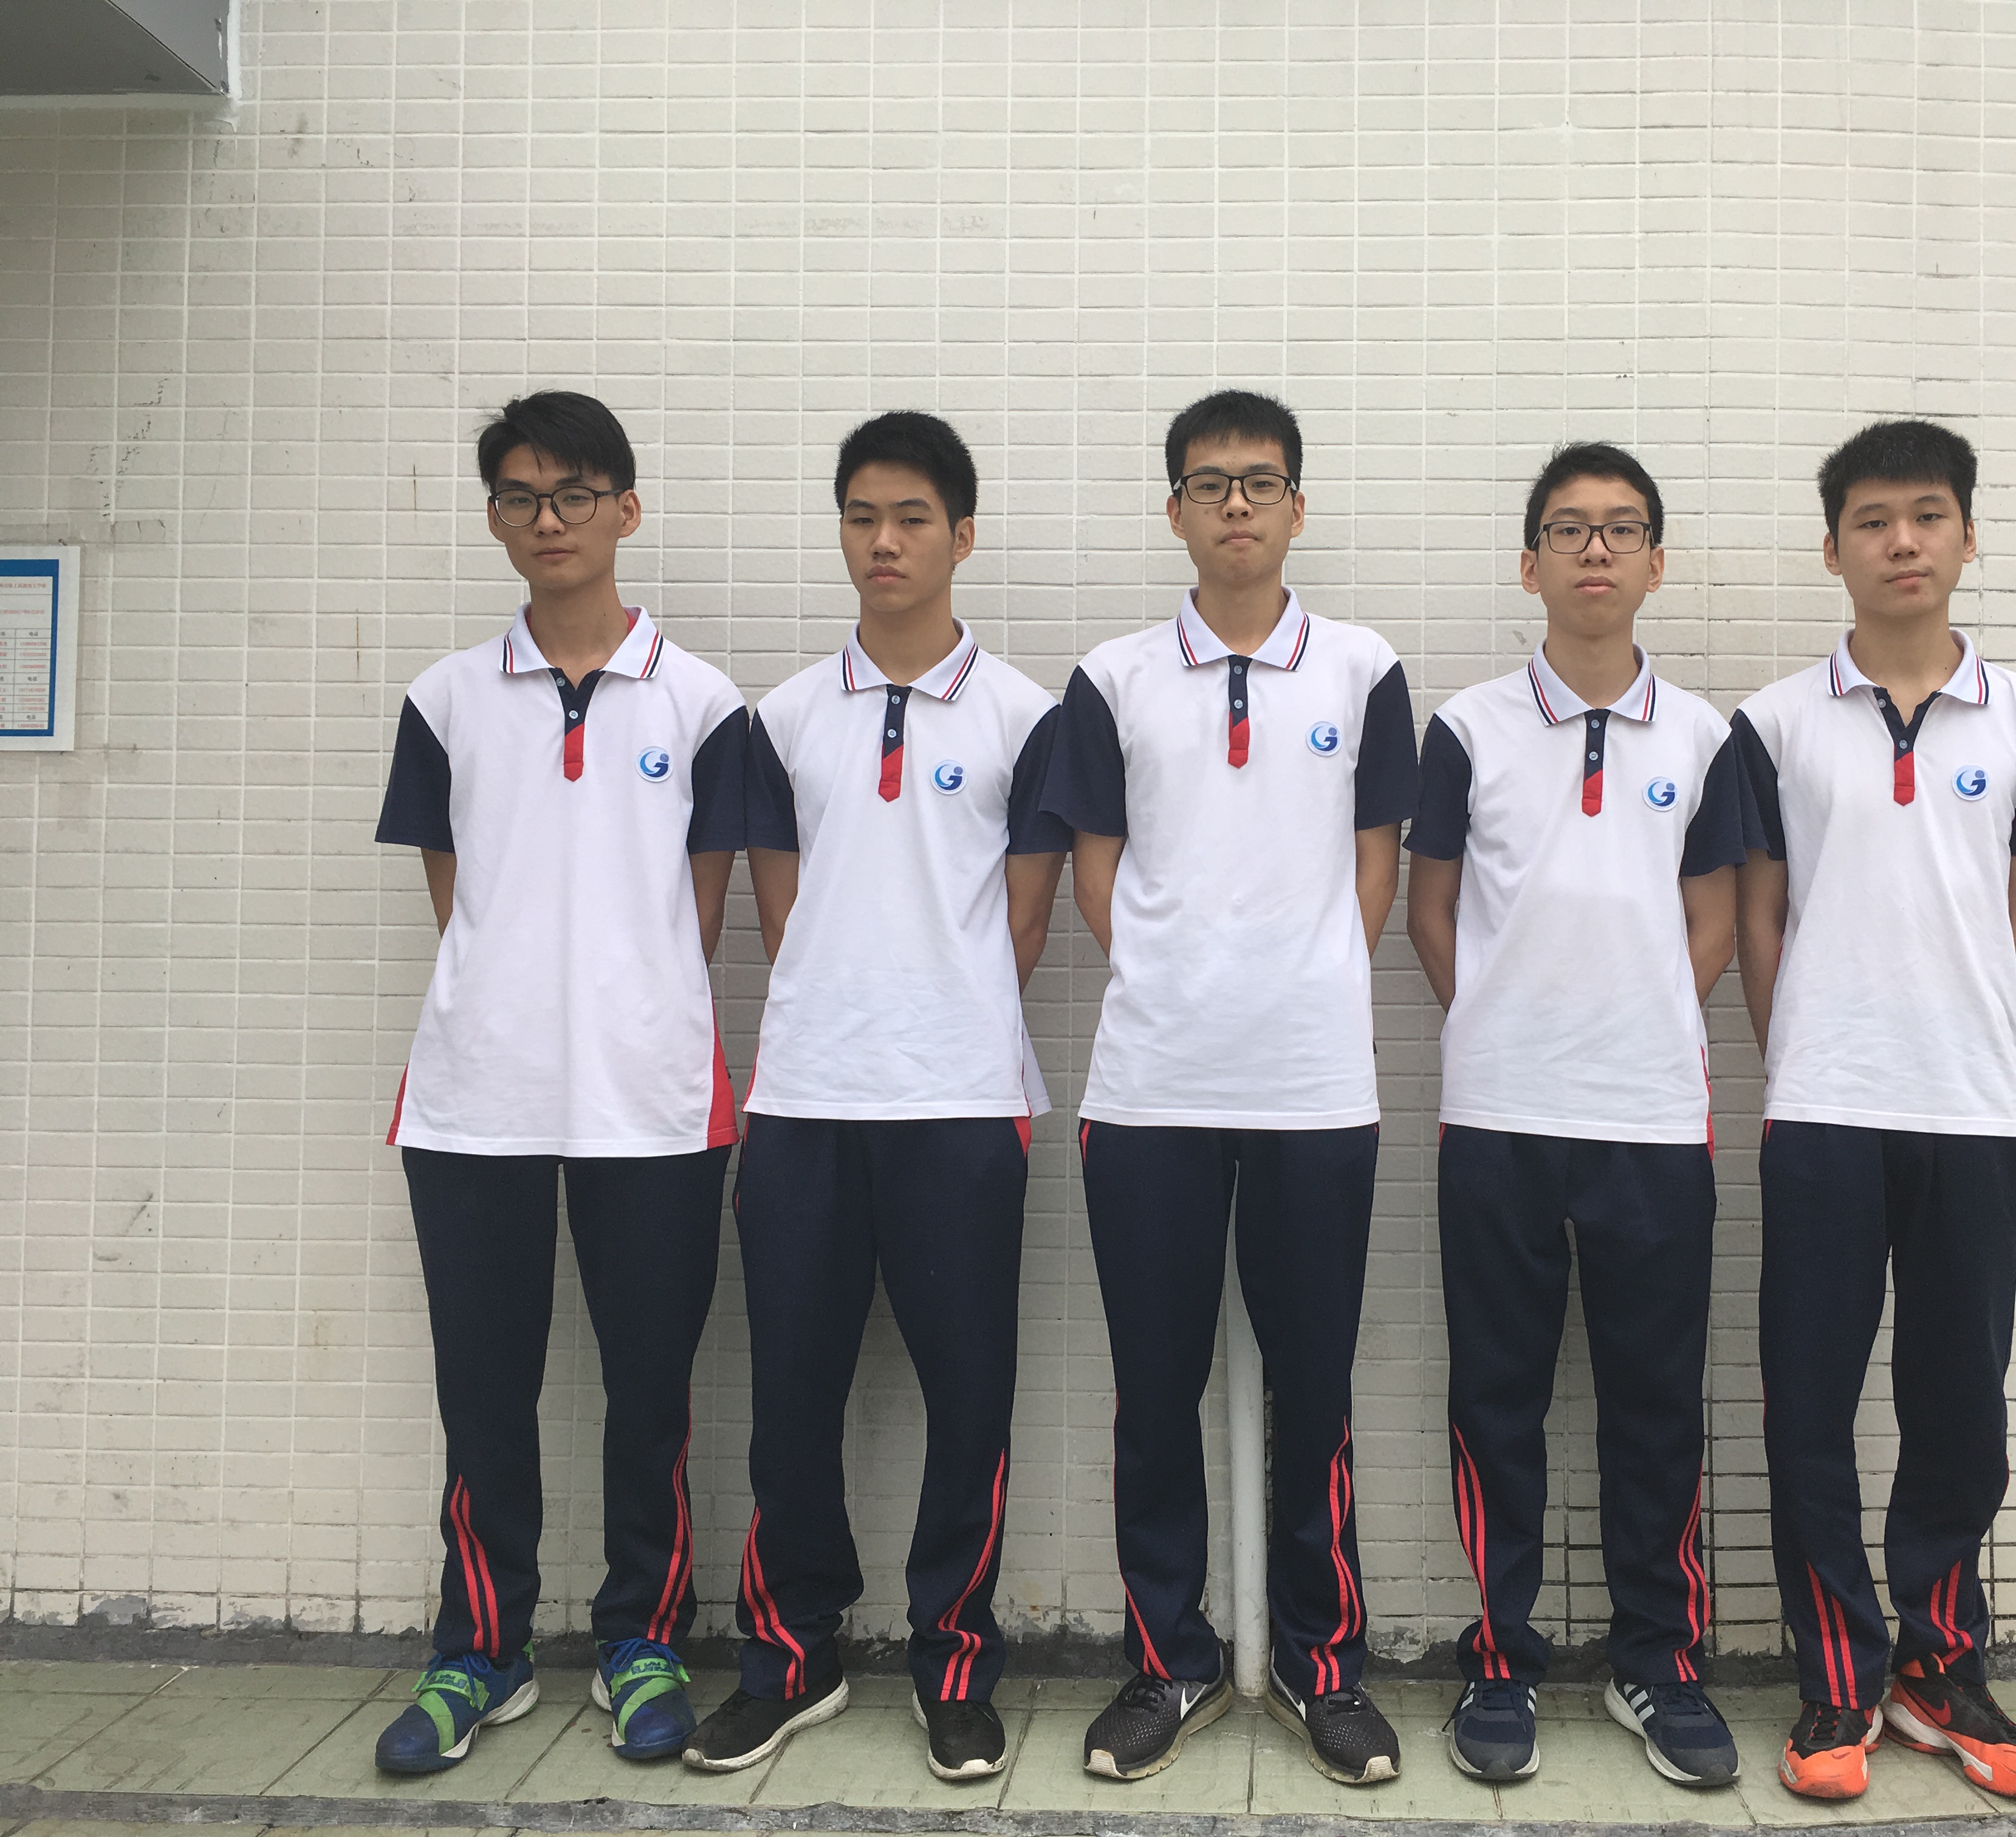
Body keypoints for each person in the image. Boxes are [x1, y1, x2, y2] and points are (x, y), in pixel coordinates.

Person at [680, 413, 1070, 1784]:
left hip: (962, 1103)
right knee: (791, 1398)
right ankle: (792, 1658)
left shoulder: (1028, 718)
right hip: (804, 1105)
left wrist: (936, 1024)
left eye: (911, 518)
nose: (884, 542)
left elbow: (1025, 924)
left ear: (963, 535)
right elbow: (782, 919)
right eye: (861, 517)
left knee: (971, 1401)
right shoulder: (781, 719)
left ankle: (954, 1666)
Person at [1041, 390, 1419, 1787]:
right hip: (1152, 1088)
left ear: (1297, 506)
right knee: (1157, 1388)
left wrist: (1307, 984)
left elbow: (1376, 863)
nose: (1239, 504)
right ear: (1177, 512)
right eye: (1211, 484)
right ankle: (1173, 1661)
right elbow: (1096, 873)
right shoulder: (1114, 678)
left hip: (1316, 1088)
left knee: (1313, 1389)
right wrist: (1174, 980)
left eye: (1262, 482)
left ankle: (1325, 1667)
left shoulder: (1364, 670)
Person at [371, 391, 747, 1773]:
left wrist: (614, 1010)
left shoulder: (704, 704)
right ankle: (482, 1651)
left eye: (576, 494)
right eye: (522, 498)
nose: (550, 520)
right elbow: (460, 901)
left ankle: (643, 1641)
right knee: (484, 1394)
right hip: (476, 1101)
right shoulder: (445, 701)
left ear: (626, 510)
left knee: (651, 1392)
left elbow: (696, 913)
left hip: (652, 1102)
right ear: (494, 520)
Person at [1732, 419, 2016, 1803]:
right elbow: (1762, 918)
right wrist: (1807, 1050)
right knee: (1809, 1403)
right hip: (1824, 1107)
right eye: (1873, 521)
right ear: (1833, 548)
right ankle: (1837, 1680)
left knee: (1958, 1404)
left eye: (1928, 516)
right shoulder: (1773, 724)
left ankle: (1940, 1672)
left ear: (1967, 536)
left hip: (1969, 1110)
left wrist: (1959, 1027)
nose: (1902, 542)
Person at [1406, 444, 1748, 1788]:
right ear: (1530, 563)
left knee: (1655, 1405)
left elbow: (1715, 920)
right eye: (1568, 529)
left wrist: (1634, 1018)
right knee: (1498, 1400)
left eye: (1620, 530)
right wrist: (1505, 1020)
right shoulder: (1467, 729)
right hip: (1498, 1119)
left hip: (1653, 1122)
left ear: (1657, 563)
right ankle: (1501, 1660)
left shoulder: (1708, 739)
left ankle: (1657, 1660)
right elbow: (1430, 909)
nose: (1594, 550)